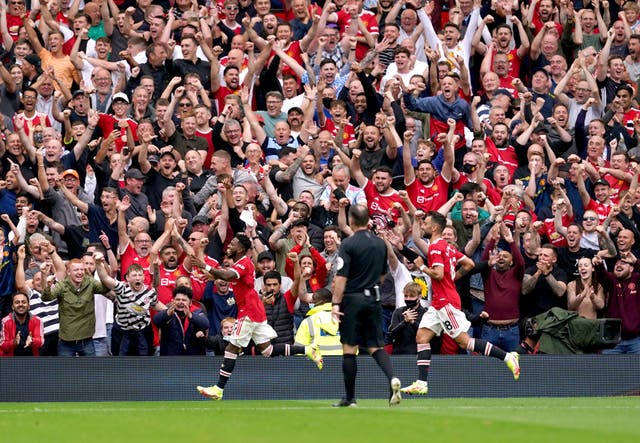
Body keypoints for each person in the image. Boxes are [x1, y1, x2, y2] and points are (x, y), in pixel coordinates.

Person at [401, 211, 520, 396]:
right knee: (422, 338)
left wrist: (422, 267)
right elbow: (470, 264)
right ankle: (421, 382)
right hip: (439, 303)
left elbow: (438, 274)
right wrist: (453, 277)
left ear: (434, 228)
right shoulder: (447, 247)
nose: (422, 226)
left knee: (465, 343)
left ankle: (507, 356)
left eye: (425, 224)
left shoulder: (435, 248)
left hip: (445, 302)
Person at [195, 233, 322, 400]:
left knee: (231, 348)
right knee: (268, 351)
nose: (229, 246)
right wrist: (212, 275)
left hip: (248, 312)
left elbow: (228, 276)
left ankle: (218, 388)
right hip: (256, 310)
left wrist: (207, 267)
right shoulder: (240, 264)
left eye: (232, 243)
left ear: (241, 248)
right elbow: (231, 277)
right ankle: (309, 350)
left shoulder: (244, 263)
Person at [330, 204, 402, 407]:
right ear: (367, 219)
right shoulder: (380, 244)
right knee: (375, 346)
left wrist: (336, 303)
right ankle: (392, 379)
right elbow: (383, 273)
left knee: (349, 347)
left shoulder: (348, 244)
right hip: (374, 299)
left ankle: (350, 398)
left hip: (353, 299)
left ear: (351, 221)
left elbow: (341, 277)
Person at [153, 286, 209, 356]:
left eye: (184, 300)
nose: (180, 302)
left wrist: (190, 315)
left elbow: (205, 324)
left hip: (193, 358)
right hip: (170, 358)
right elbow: (156, 320)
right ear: (173, 301)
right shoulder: (167, 312)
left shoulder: (197, 312)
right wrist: (167, 313)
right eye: (177, 299)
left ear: (190, 302)